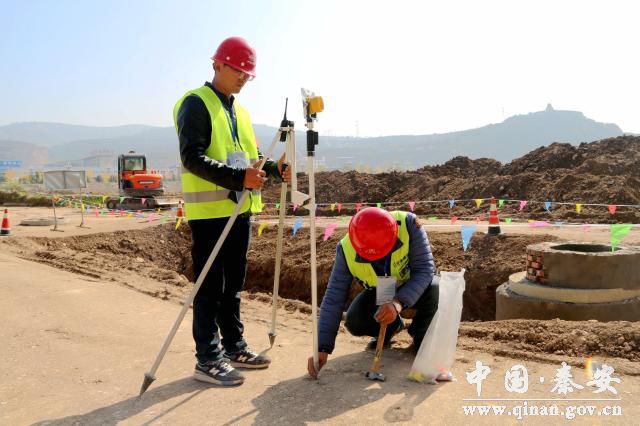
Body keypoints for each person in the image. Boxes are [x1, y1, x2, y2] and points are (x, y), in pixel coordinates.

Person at [173, 36, 291, 386]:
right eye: (237, 69)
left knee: (232, 285)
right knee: (210, 286)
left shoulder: (240, 111)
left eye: (247, 73)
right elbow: (192, 157)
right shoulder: (196, 104)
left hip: (240, 210)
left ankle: (234, 345)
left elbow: (251, 156)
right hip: (210, 213)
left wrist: (271, 169)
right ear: (218, 65)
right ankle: (207, 358)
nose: (242, 77)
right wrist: (241, 177)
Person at [307, 207, 439, 379]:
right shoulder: (345, 249)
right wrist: (322, 348)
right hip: (382, 289)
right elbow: (334, 297)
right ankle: (394, 326)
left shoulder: (409, 225)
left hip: (415, 286)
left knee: (436, 288)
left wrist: (397, 304)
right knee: (355, 321)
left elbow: (425, 270)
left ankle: (420, 335)